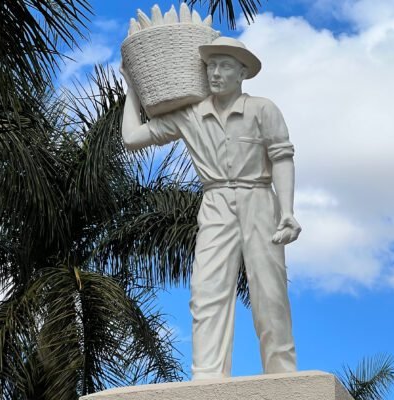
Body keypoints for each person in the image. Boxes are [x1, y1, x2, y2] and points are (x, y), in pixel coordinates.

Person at [120, 37, 301, 380]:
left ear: (243, 72)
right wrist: (132, 90)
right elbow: (132, 138)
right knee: (207, 292)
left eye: (226, 66)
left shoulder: (263, 109)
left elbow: (282, 157)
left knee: (270, 291)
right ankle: (207, 378)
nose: (216, 73)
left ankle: (281, 374)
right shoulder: (190, 115)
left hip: (259, 199)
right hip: (215, 202)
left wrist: (288, 211)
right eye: (211, 66)